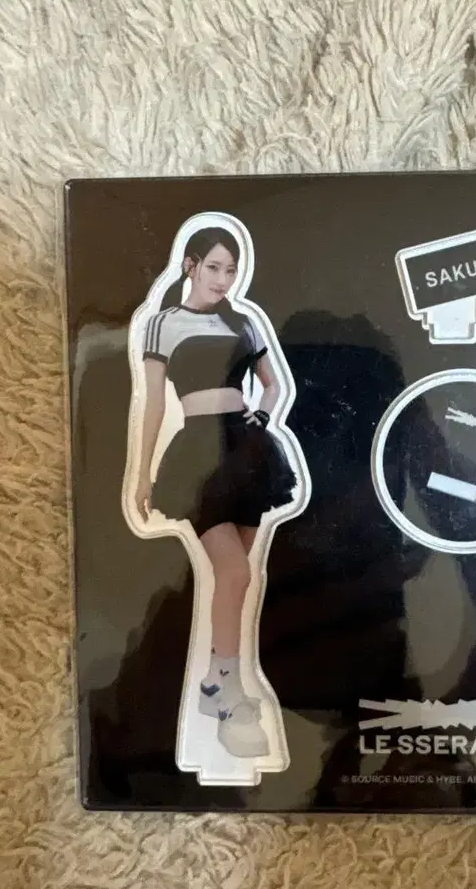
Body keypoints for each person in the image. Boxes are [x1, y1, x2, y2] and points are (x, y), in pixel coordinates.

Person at [132, 226, 298, 758]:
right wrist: (142, 473)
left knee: (237, 582)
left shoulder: (243, 322)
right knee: (236, 573)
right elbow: (154, 403)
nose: (223, 279)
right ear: (191, 265)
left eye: (231, 270)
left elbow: (273, 383)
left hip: (247, 452)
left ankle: (211, 684)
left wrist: (262, 417)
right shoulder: (164, 324)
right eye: (214, 267)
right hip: (200, 455)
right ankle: (228, 692)